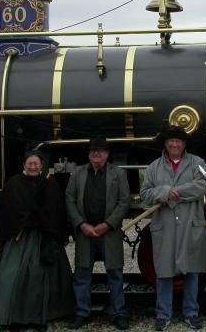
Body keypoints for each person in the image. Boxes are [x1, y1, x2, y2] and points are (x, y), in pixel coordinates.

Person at [0, 150, 74, 329]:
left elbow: (57, 210)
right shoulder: (14, 183)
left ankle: (41, 317)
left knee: (40, 277)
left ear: (42, 166)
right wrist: (28, 219)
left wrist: (46, 225)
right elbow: (7, 210)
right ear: (24, 165)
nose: (33, 166)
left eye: (36, 164)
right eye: (30, 163)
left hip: (44, 236)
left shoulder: (50, 184)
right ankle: (12, 315)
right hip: (19, 237)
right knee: (12, 276)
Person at [140, 125, 206, 331]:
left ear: (184, 144)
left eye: (178, 141)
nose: (175, 144)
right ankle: (163, 314)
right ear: (166, 144)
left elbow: (202, 185)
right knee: (164, 271)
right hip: (165, 226)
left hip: (190, 224)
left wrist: (174, 192)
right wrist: (164, 192)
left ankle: (191, 312)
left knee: (192, 271)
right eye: (171, 141)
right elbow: (145, 194)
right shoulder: (153, 167)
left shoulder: (198, 163)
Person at [66, 136, 131, 330]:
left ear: (107, 154)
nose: (97, 153)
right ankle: (81, 312)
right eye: (93, 150)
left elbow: (124, 201)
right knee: (82, 274)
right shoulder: (77, 174)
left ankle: (118, 313)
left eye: (101, 150)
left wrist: (108, 224)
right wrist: (81, 224)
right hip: (85, 231)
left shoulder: (118, 174)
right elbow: (69, 200)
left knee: (115, 274)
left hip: (109, 232)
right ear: (88, 154)